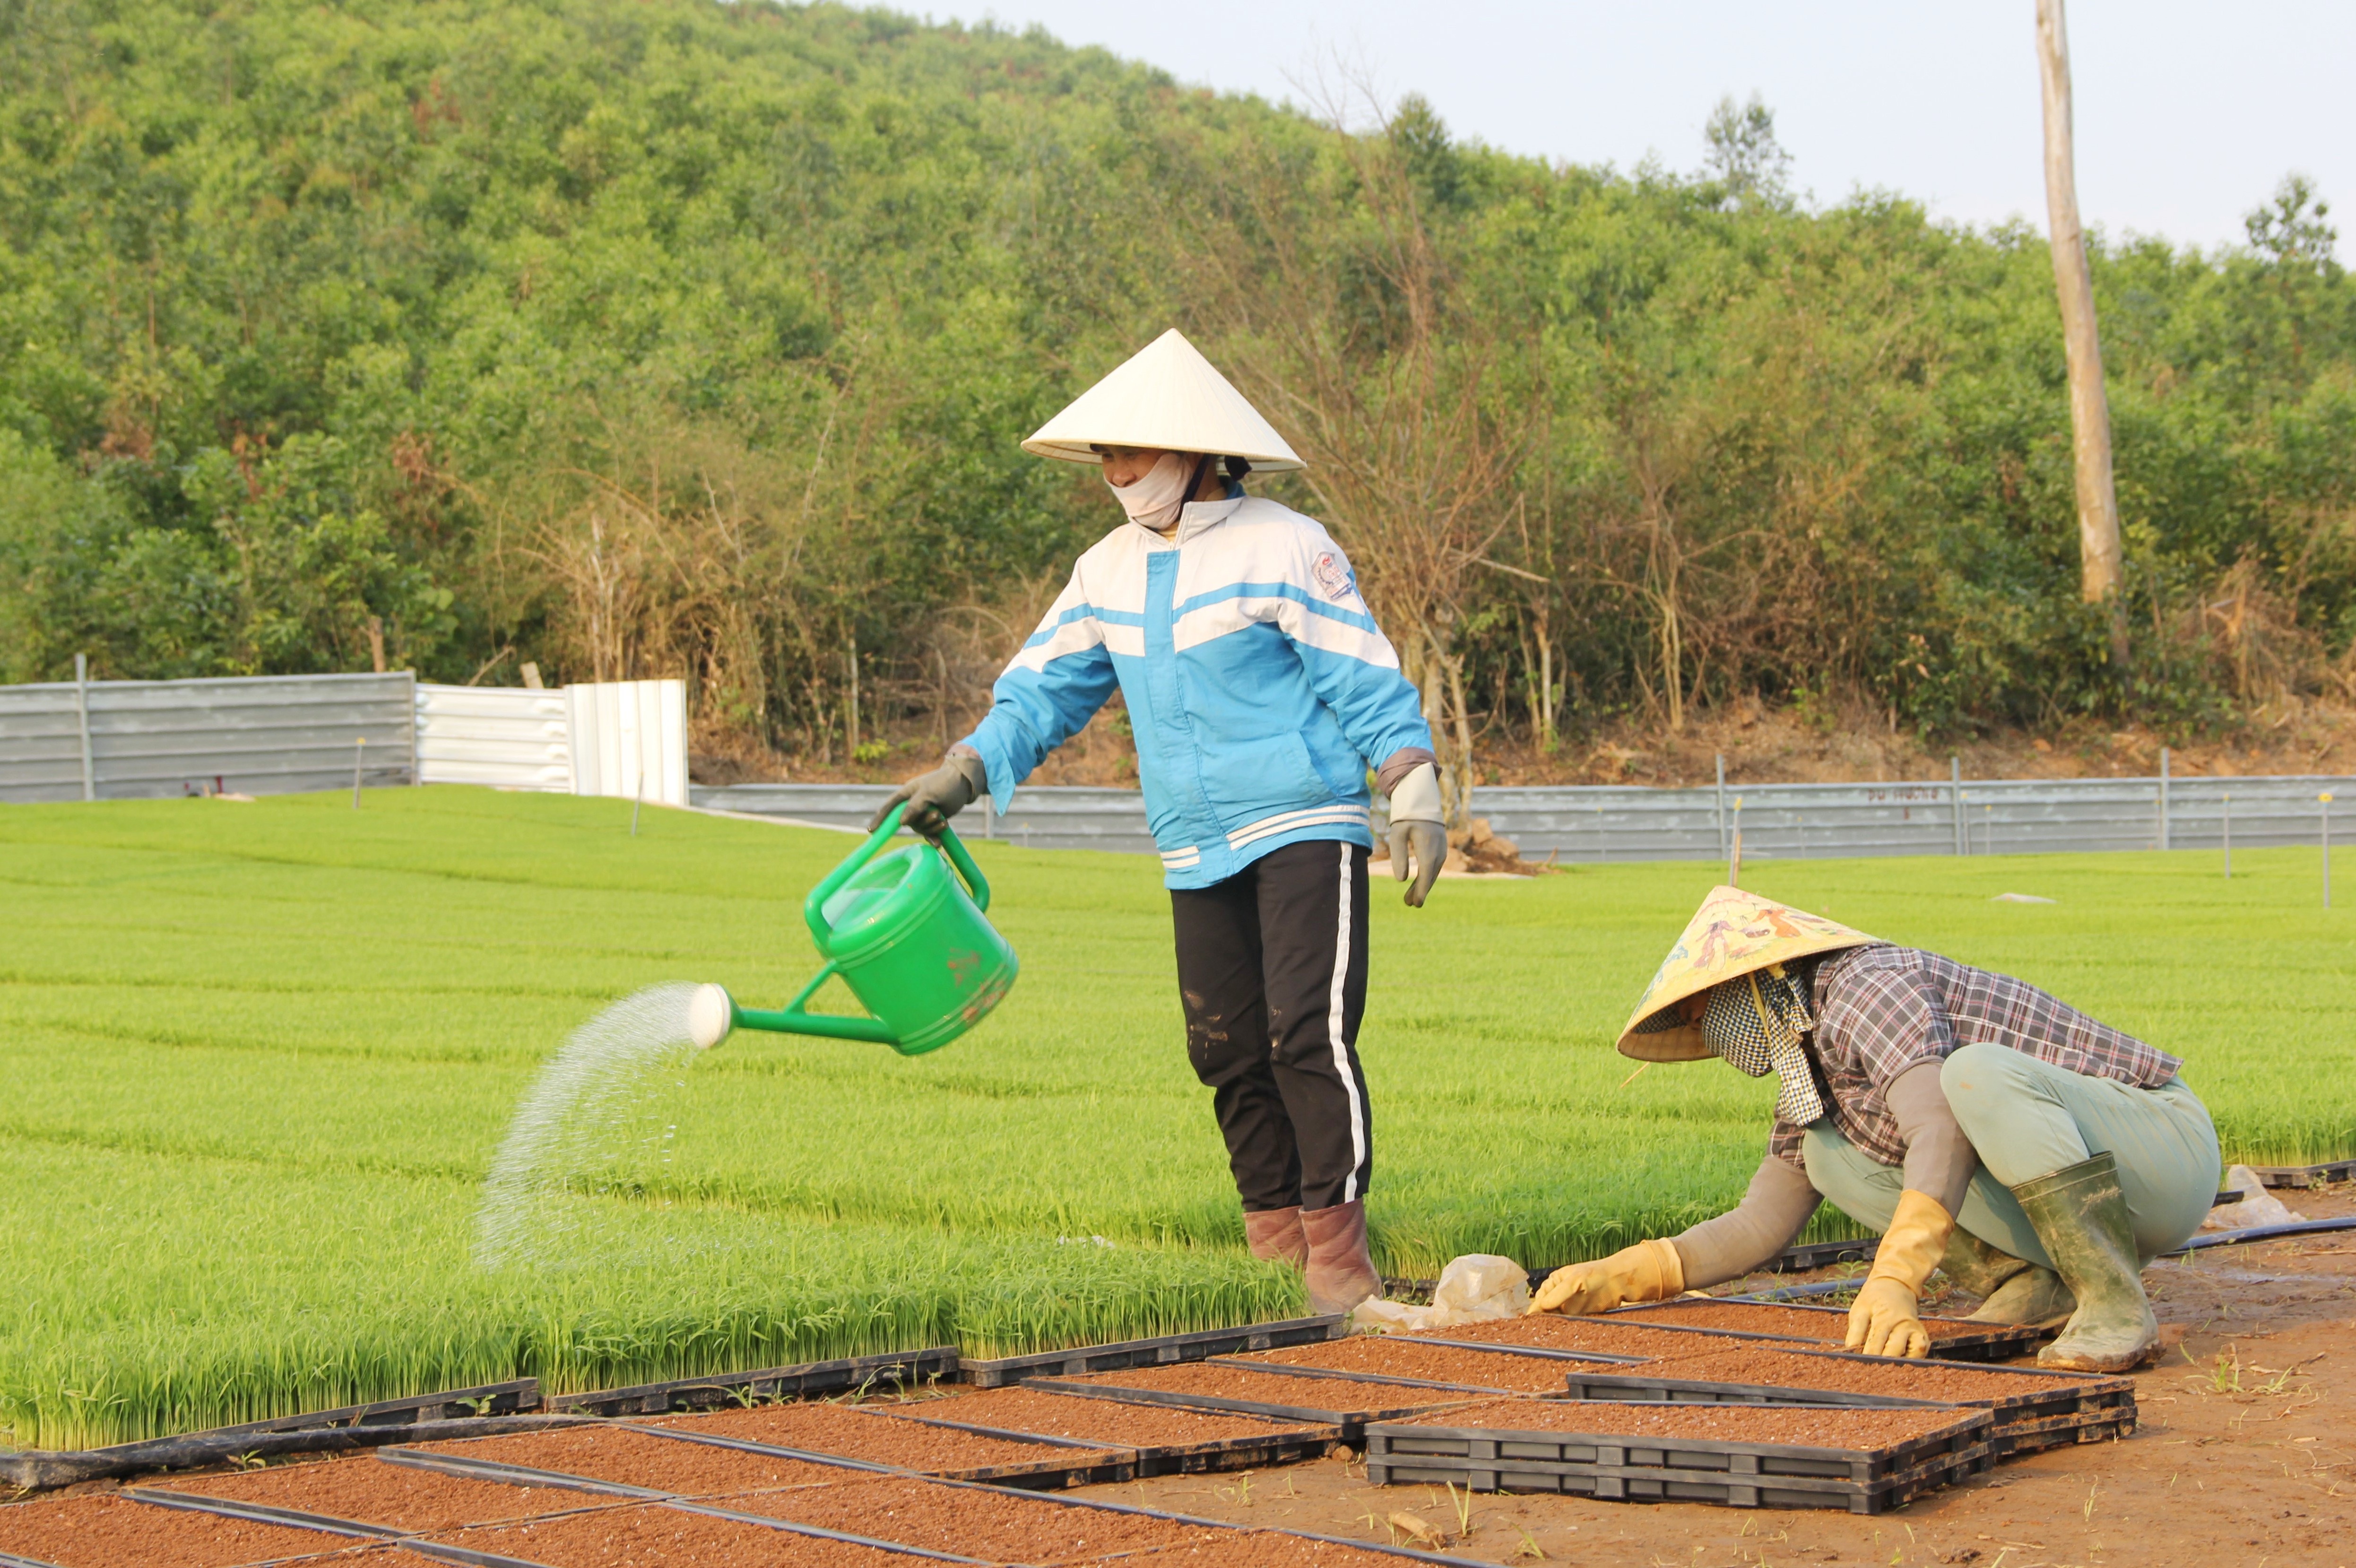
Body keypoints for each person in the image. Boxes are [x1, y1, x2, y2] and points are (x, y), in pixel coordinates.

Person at [871, 329, 1450, 1315]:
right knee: (1222, 1047)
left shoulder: (1286, 545)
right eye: (1103, 455)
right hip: (1192, 842)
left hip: (1304, 822)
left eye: (1129, 452)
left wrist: (1411, 784)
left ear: (1191, 451)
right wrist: (964, 772)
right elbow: (1042, 691)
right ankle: (1270, 1237)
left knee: (1305, 1035)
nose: (1114, 472)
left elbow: (1358, 669)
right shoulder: (1102, 570)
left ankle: (1338, 1256)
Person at [1530, 886, 2219, 1373]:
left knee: (1973, 1074)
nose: (1705, 1027)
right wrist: (1628, 1273)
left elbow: (1942, 1129)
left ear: (1756, 984)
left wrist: (1895, 1278)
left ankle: (2114, 1302)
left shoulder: (1866, 984)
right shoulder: (1806, 1065)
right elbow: (1760, 1221)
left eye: (1707, 1007)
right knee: (1831, 1157)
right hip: (2100, 1186)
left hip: (2161, 1152)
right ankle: (2042, 1280)